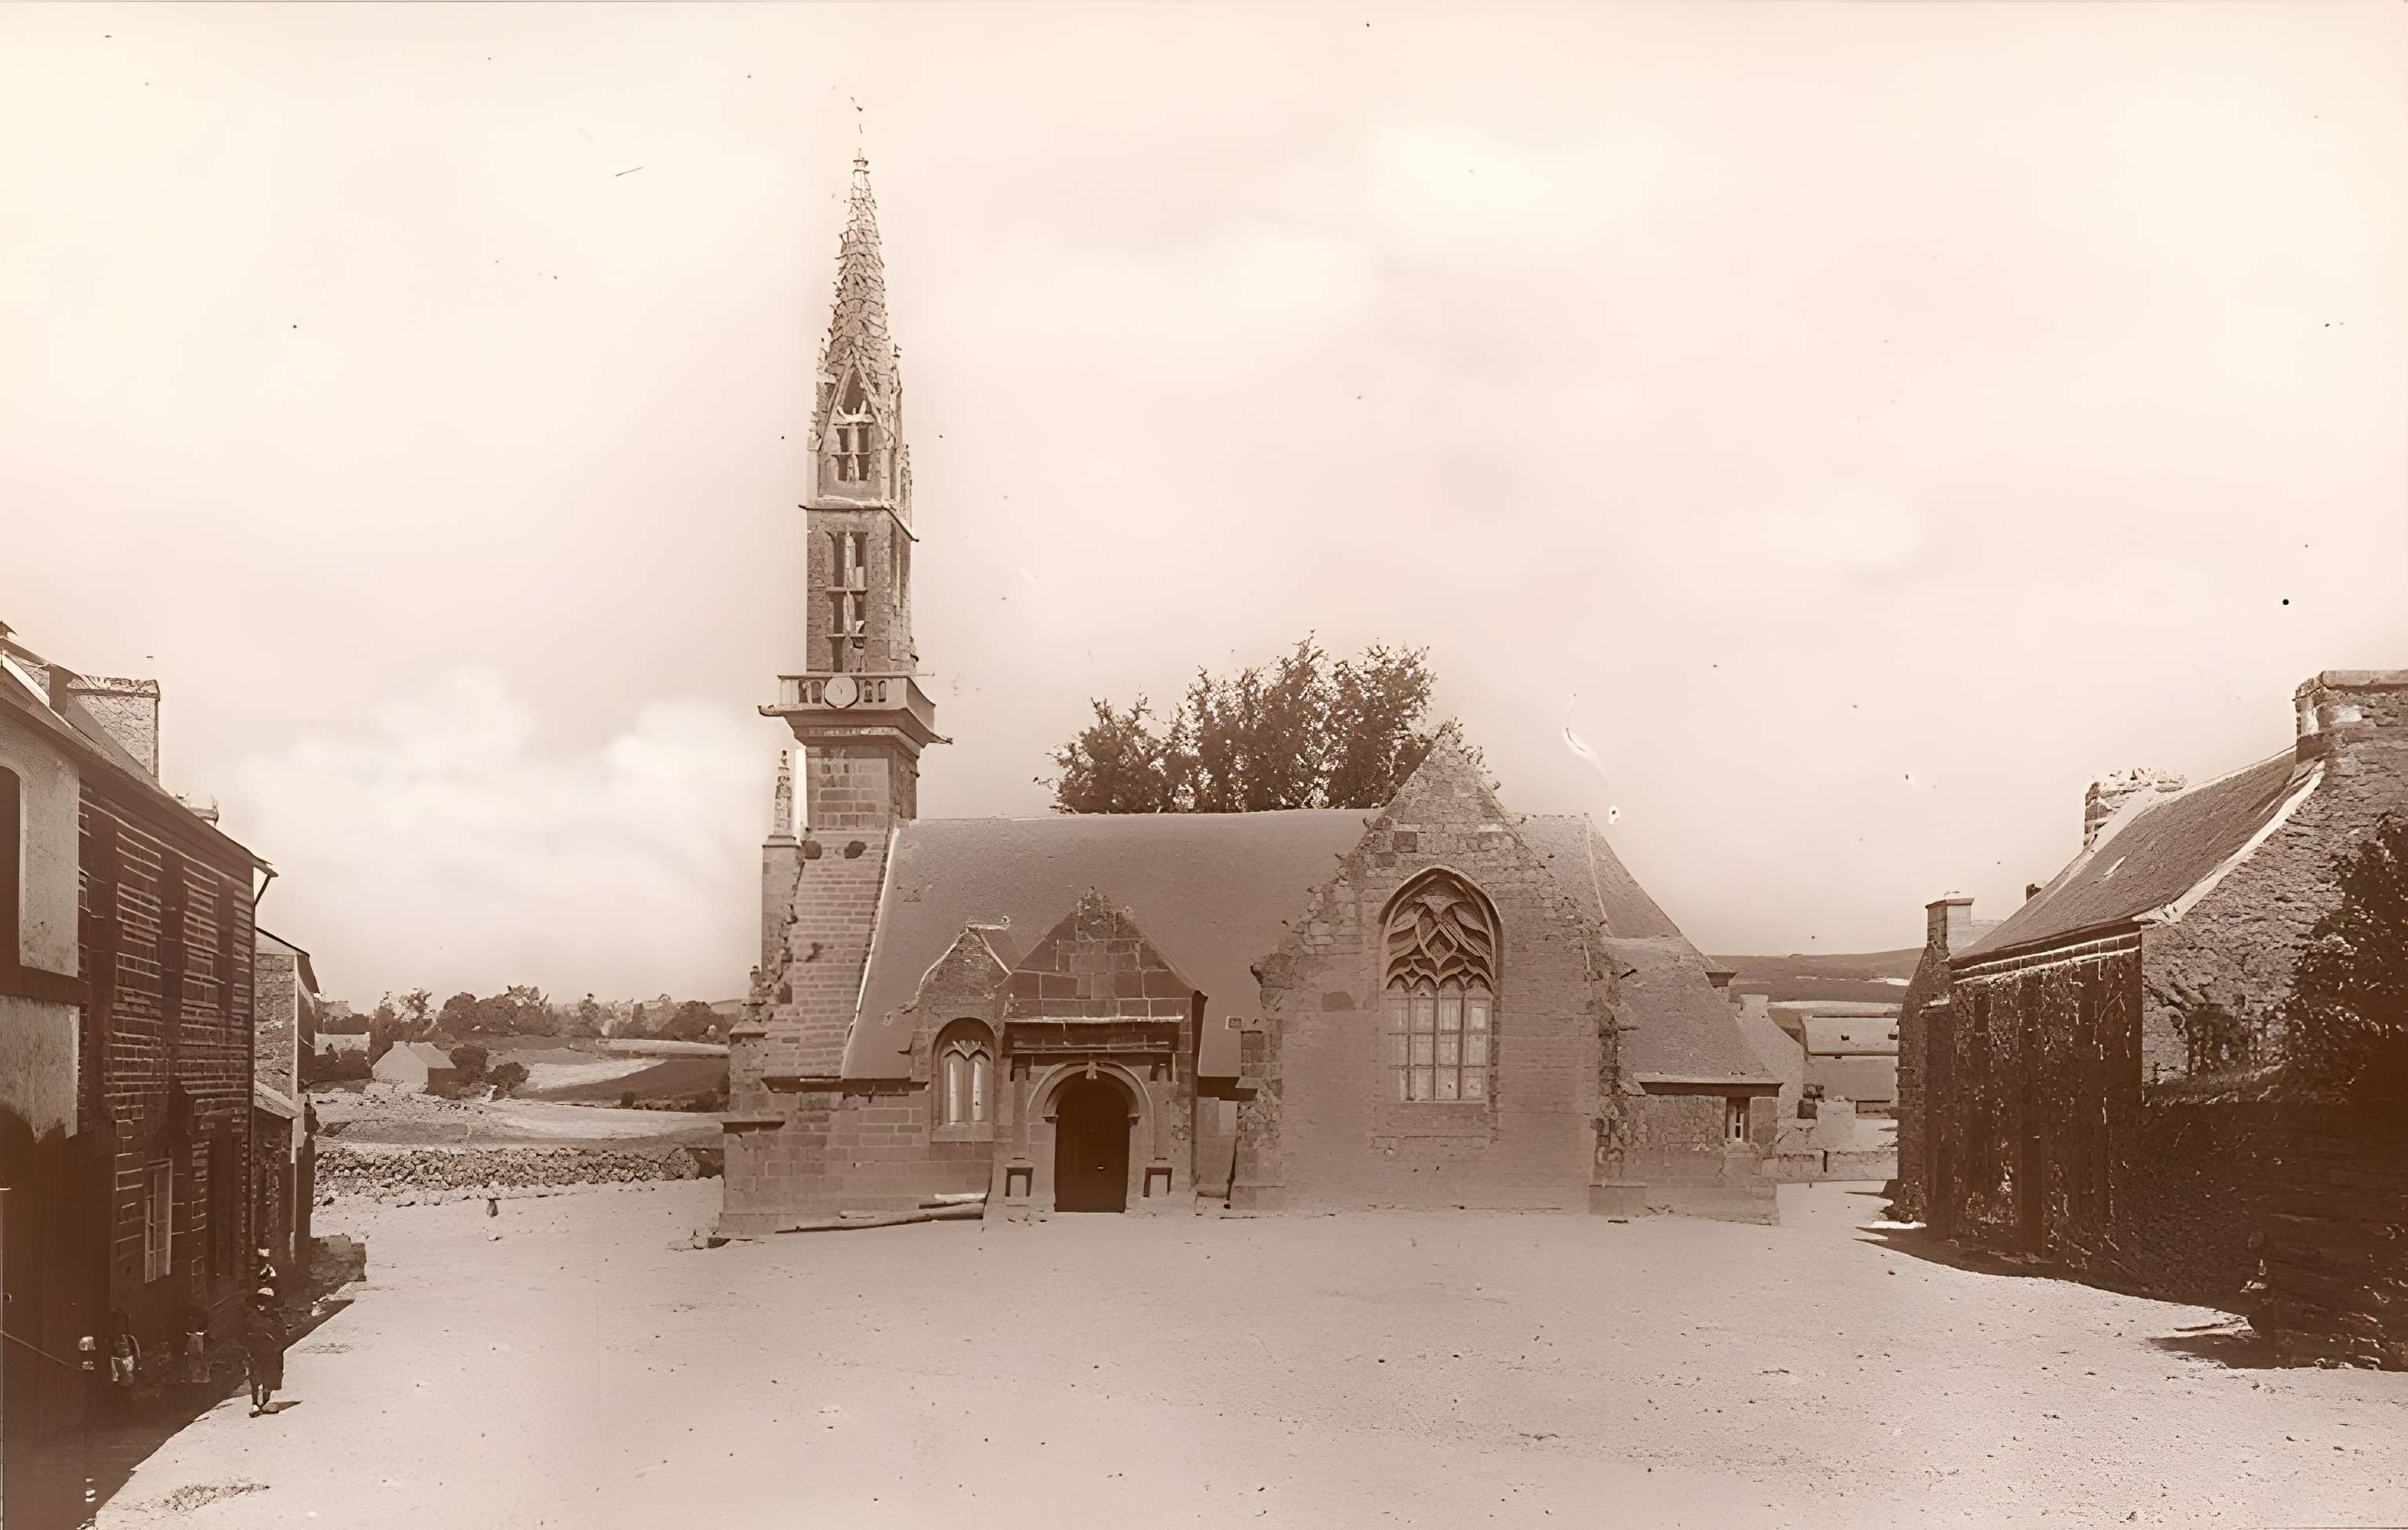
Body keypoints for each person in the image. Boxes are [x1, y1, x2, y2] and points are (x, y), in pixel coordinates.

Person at [241, 1288, 286, 1416]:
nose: (262, 1305)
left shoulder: (275, 1318)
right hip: (254, 1349)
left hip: (271, 1350)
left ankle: (266, 1402)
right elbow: (242, 1333)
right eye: (260, 1302)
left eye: (266, 1303)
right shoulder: (250, 1317)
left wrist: (278, 1345)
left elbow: (281, 1334)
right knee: (255, 1376)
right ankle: (255, 1404)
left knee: (270, 1375)